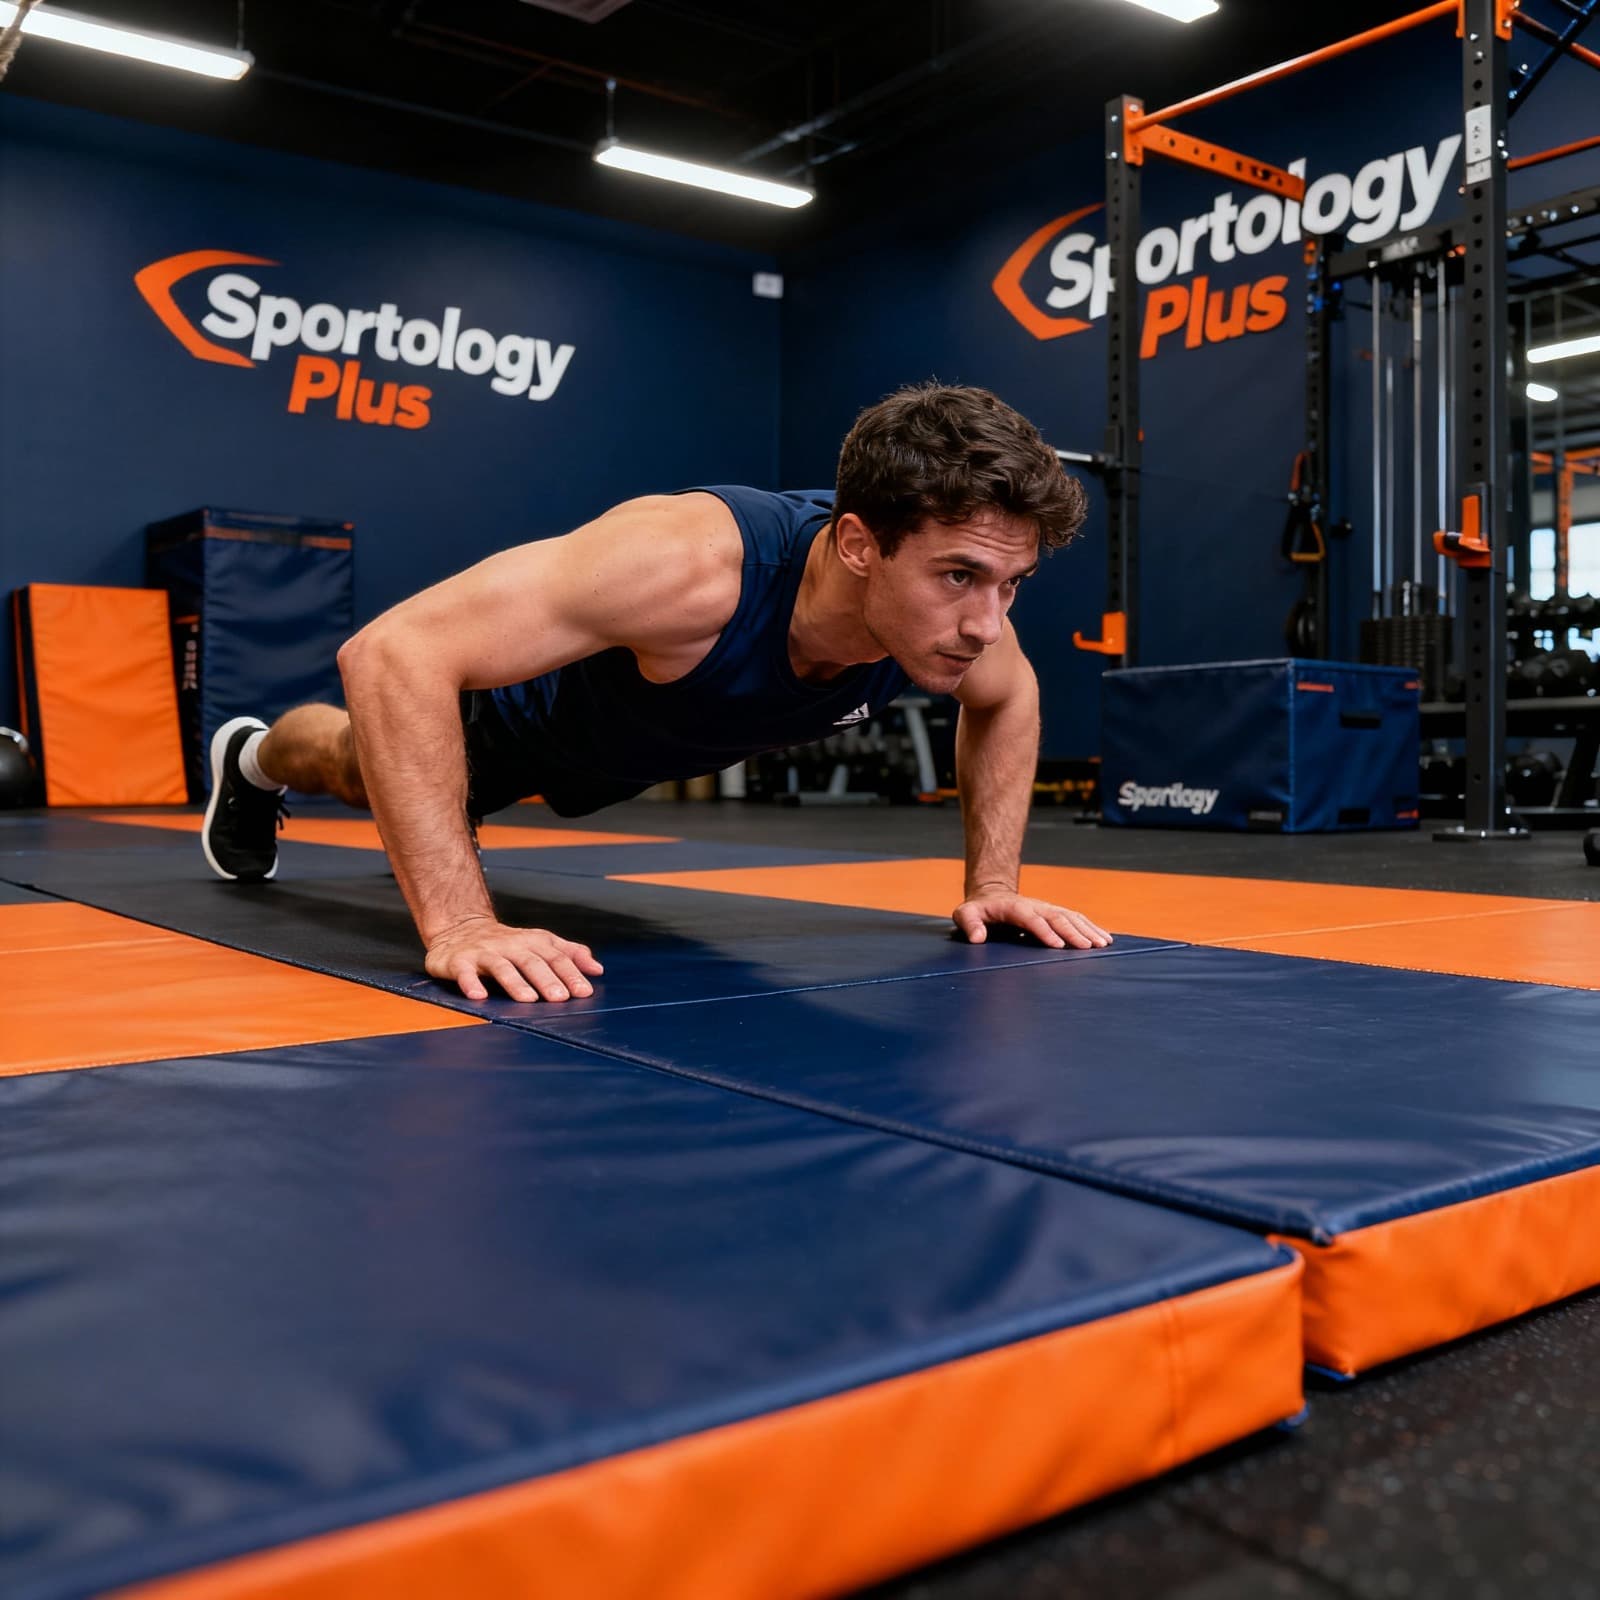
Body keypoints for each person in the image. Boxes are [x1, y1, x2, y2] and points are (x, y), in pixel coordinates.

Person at [201, 382, 1112, 1002]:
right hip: (508, 723)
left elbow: (1009, 697)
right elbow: (391, 652)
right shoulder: (689, 565)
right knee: (350, 764)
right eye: (959, 576)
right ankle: (250, 758)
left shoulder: (957, 620)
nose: (987, 624)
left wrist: (993, 885)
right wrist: (464, 924)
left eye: (1012, 584)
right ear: (859, 546)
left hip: (621, 752)